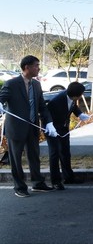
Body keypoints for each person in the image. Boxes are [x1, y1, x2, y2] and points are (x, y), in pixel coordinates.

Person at [0, 55, 57, 197]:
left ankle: (37, 183)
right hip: (16, 128)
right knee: (16, 159)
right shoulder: (12, 84)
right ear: (27, 67)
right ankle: (19, 187)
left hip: (33, 127)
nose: (39, 68)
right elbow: (2, 98)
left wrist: (49, 122)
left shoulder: (36, 85)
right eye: (36, 65)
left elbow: (42, 106)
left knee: (34, 156)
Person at [46, 81, 90, 189]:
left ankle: (69, 177)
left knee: (65, 153)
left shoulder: (69, 96)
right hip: (52, 129)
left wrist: (80, 114)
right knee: (54, 154)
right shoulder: (56, 101)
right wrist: (49, 126)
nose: (82, 96)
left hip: (63, 128)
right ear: (76, 95)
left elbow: (72, 106)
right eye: (81, 94)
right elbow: (47, 114)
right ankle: (56, 181)